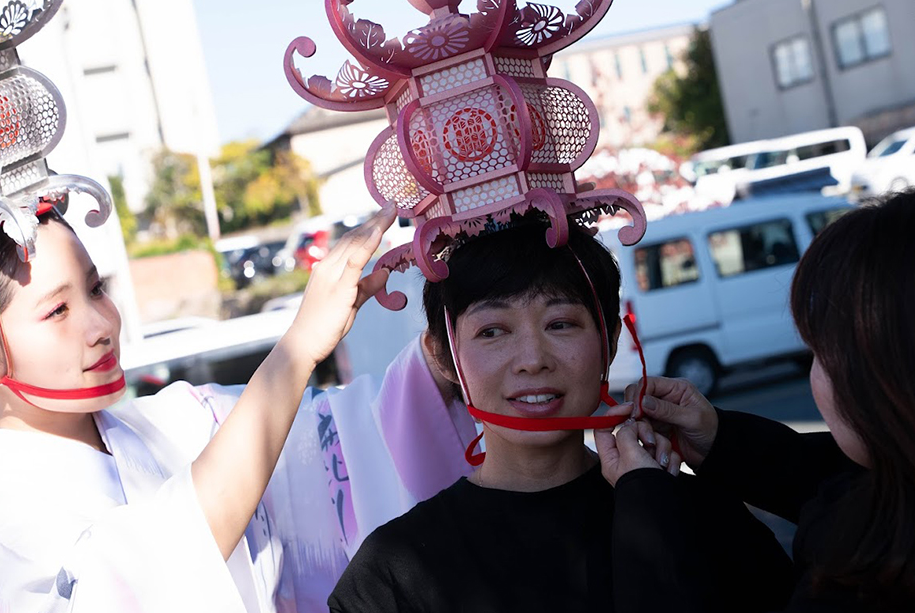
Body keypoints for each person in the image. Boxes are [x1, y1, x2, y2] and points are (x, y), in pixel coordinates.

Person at [0, 201, 467, 612]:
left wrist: (456, 356)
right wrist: (296, 349)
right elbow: (149, 575)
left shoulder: (178, 421)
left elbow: (348, 433)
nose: (101, 325)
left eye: (95, 289)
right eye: (57, 311)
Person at [328, 216, 794, 613]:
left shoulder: (702, 517)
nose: (533, 360)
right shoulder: (391, 574)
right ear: (444, 358)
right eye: (492, 331)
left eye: (561, 323)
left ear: (611, 340)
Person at [625, 189, 915, 612]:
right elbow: (824, 475)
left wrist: (648, 512)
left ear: (879, 372)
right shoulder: (883, 488)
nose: (534, 362)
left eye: (818, 353)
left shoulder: (866, 580)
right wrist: (719, 440)